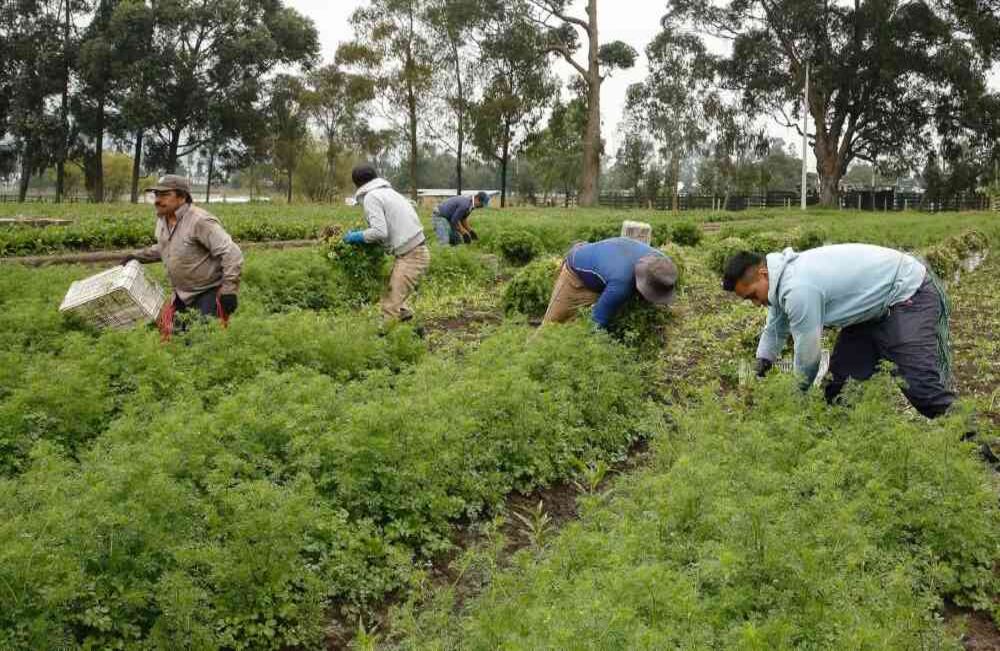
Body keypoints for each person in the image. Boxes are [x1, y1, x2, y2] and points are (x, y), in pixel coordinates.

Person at [723, 245, 955, 418]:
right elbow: (775, 328)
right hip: (869, 311)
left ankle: (974, 440)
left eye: (753, 295)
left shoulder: (797, 288)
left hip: (906, 292)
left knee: (922, 389)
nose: (756, 303)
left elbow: (808, 356)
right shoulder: (781, 280)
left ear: (763, 274)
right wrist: (762, 362)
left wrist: (796, 396)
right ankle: (836, 450)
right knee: (839, 390)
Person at [122, 174, 243, 330]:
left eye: (165, 194)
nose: (157, 200)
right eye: (156, 194)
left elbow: (232, 252)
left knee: (201, 339)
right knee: (175, 338)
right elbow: (165, 247)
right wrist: (136, 256)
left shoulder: (199, 221)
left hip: (207, 293)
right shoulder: (163, 220)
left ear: (182, 197)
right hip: (181, 295)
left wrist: (229, 291)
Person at [343, 164, 430, 322]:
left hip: (412, 255)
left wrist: (357, 236)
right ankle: (411, 329)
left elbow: (379, 232)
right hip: (414, 251)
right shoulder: (389, 192)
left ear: (357, 184)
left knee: (390, 305)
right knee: (396, 301)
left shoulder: (371, 197)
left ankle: (387, 335)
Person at [542, 237, 678, 329]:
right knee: (552, 325)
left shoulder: (663, 262)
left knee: (576, 323)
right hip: (576, 274)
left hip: (607, 269)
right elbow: (596, 323)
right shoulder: (621, 284)